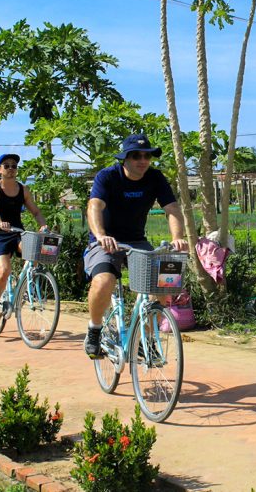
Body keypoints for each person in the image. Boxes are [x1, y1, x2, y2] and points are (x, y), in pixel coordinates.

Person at [83, 134, 189, 358]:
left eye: (147, 156)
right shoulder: (108, 176)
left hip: (136, 241)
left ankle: (146, 339)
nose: (142, 160)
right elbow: (94, 206)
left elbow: (172, 209)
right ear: (125, 159)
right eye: (136, 156)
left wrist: (178, 238)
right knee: (104, 281)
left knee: (161, 286)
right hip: (106, 240)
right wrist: (101, 235)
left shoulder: (155, 178)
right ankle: (94, 330)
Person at [0, 153, 48, 326]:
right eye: (7, 165)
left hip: (17, 232)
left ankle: (26, 288)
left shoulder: (23, 190)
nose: (11, 168)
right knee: (4, 270)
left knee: (34, 253)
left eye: (14, 166)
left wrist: (43, 225)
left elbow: (36, 211)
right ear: (0, 170)